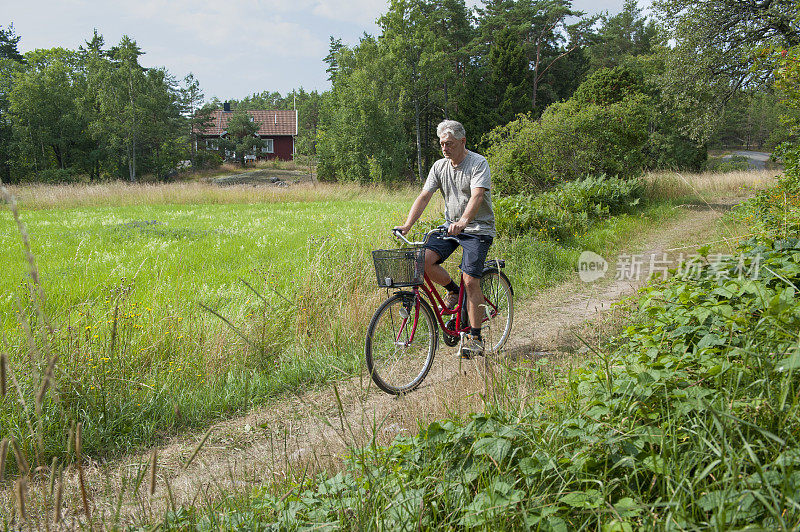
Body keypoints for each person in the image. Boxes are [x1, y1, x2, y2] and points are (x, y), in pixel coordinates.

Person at [395, 120, 496, 358]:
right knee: (424, 260)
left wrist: (464, 222)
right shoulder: (439, 167)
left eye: (449, 143)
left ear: (462, 142)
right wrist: (408, 225)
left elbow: (477, 196)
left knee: (471, 280)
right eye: (441, 143)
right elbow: (424, 195)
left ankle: (475, 337)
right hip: (450, 227)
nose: (444, 148)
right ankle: (452, 290)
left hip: (478, 229)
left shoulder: (478, 163)